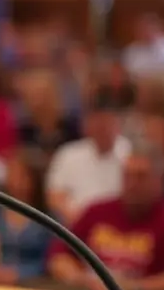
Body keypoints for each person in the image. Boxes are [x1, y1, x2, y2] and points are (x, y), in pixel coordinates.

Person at [47, 141, 164, 290]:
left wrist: (131, 289)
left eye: (141, 177)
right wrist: (78, 278)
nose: (132, 184)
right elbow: (59, 255)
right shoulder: (96, 211)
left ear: (161, 180)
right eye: (127, 175)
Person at [45, 92, 131, 224]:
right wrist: (82, 223)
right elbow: (54, 197)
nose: (102, 128)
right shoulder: (68, 154)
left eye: (107, 121)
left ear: (117, 123)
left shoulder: (130, 153)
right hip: (76, 228)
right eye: (97, 121)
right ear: (87, 124)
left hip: (119, 228)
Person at [0, 158, 52, 285]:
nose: (14, 180)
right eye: (11, 173)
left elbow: (50, 259)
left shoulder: (50, 218)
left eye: (21, 175)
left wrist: (20, 273)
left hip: (35, 283)